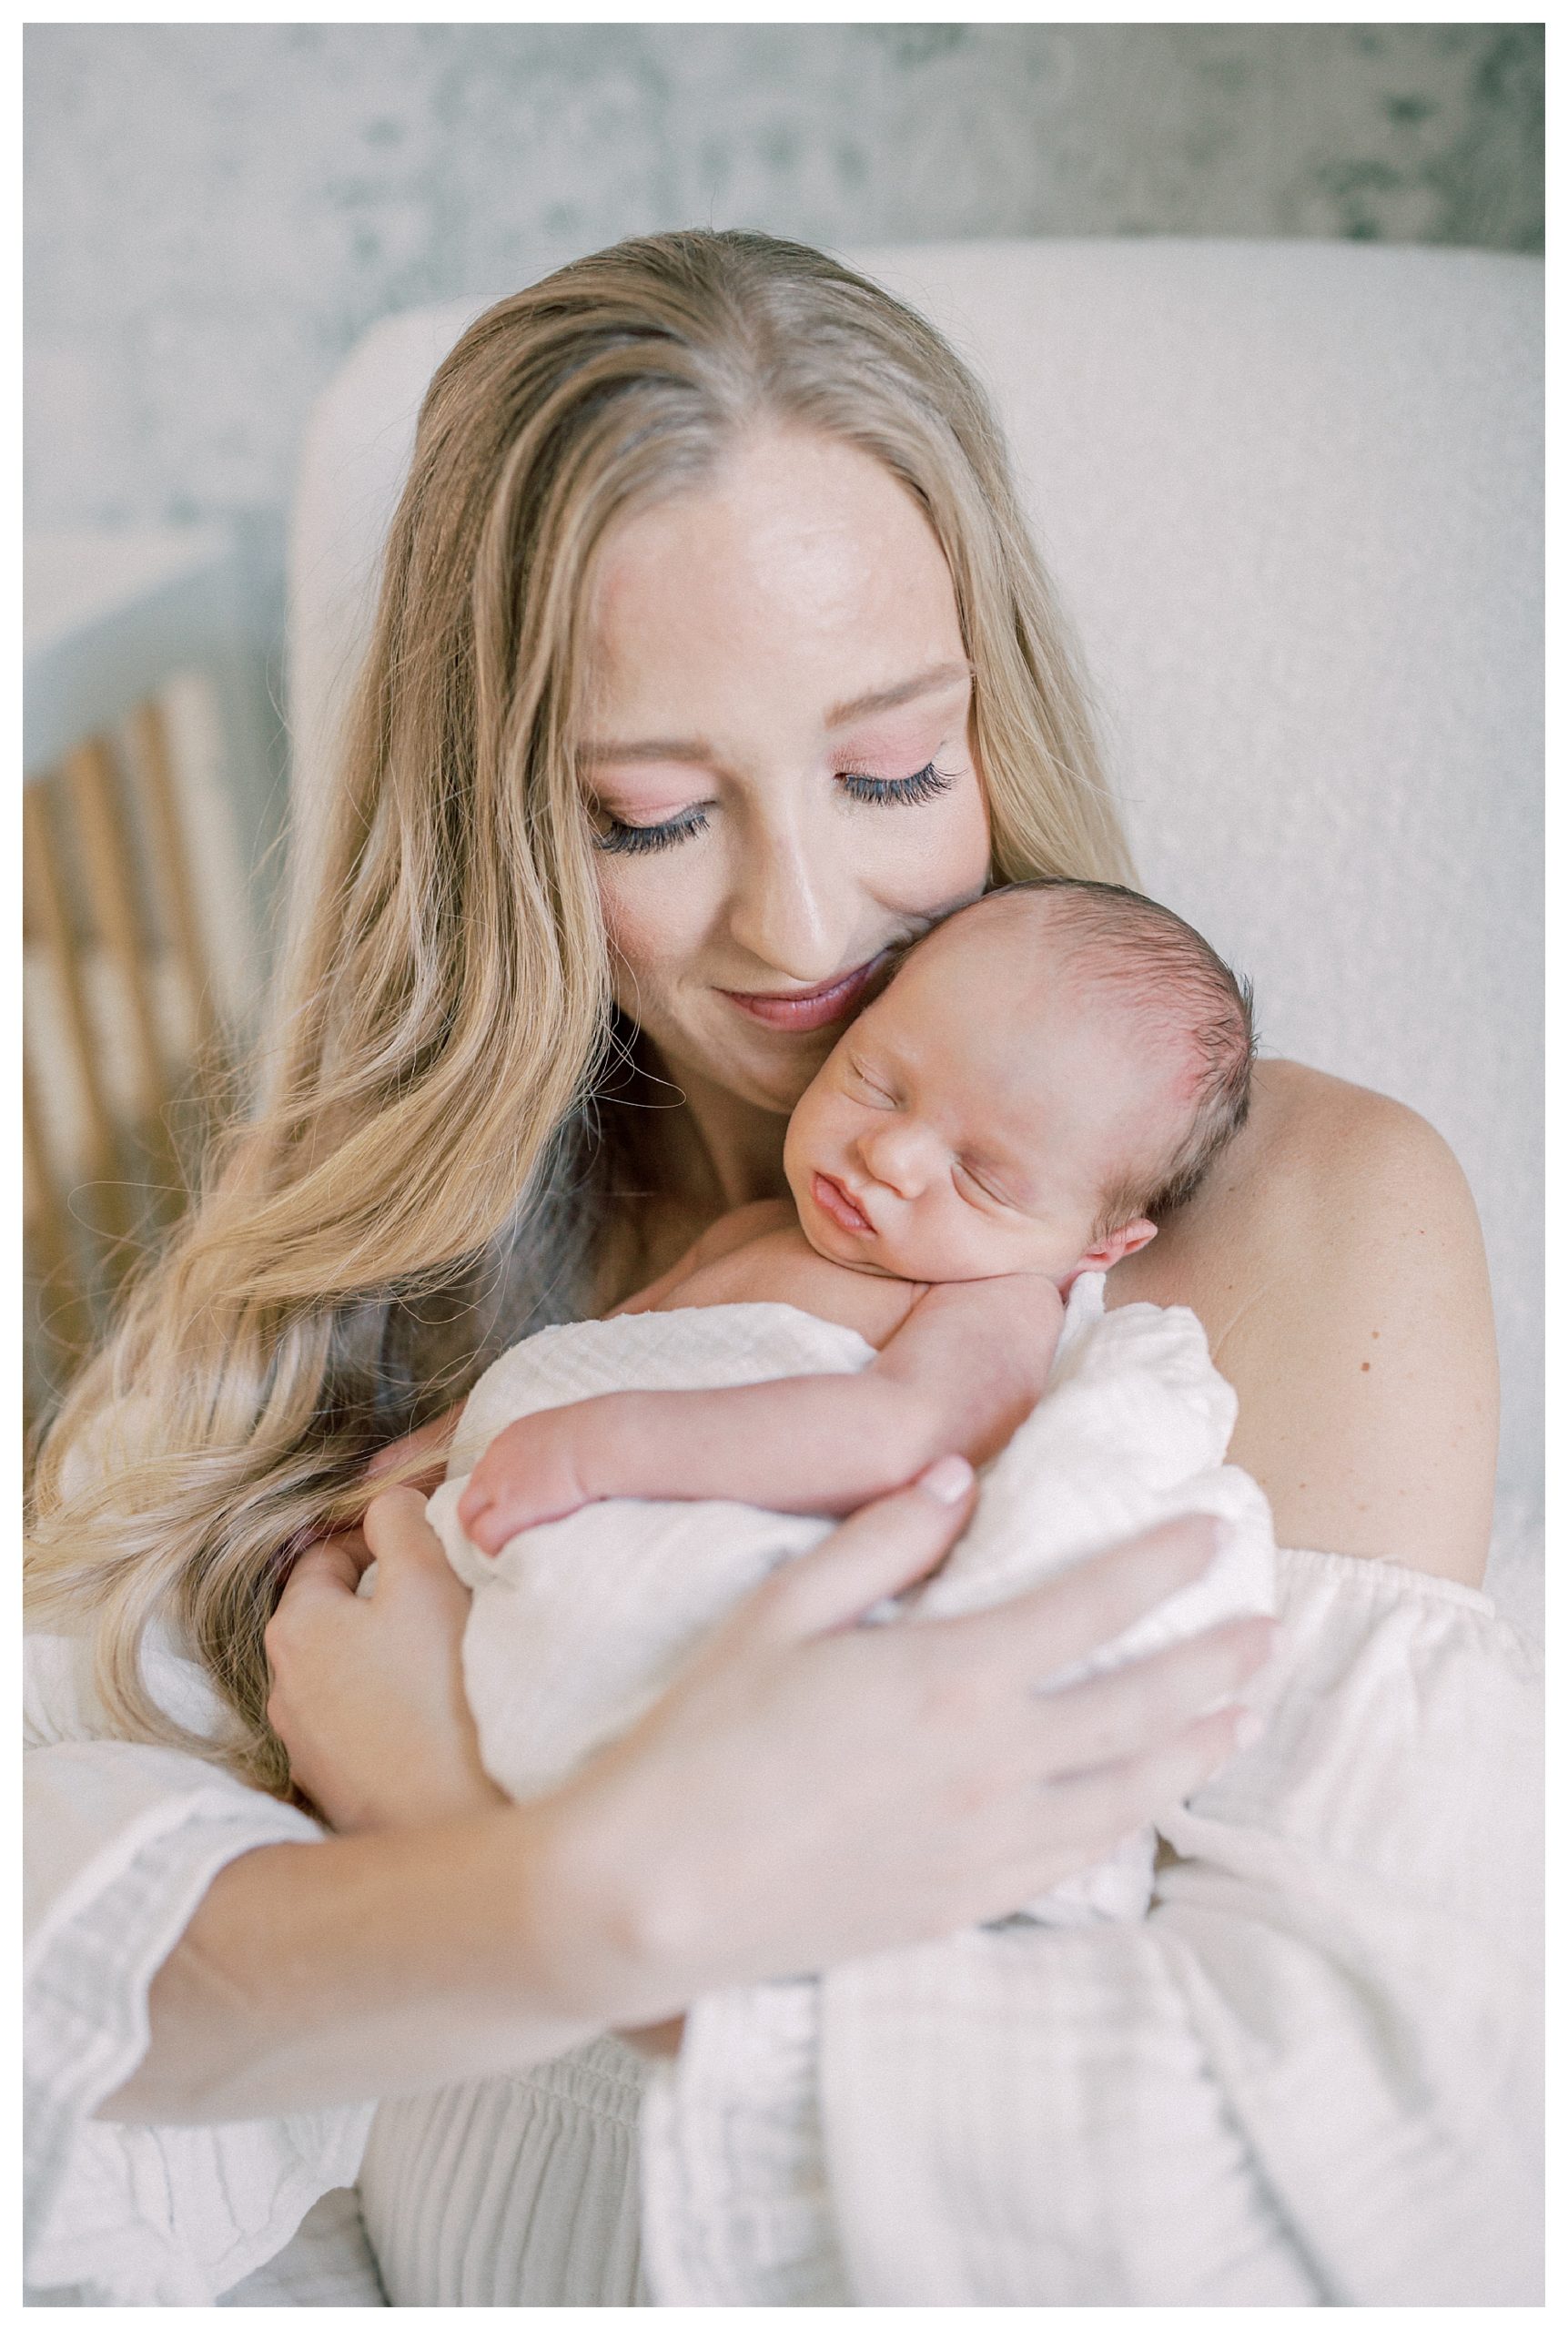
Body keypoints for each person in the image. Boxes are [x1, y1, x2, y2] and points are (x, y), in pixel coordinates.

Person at [23, 229, 1533, 2307]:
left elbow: (1380, 2169)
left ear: (993, 707)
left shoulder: (1300, 1216)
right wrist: (543, 1894)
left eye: (893, 768)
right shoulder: (420, 1237)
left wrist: (516, 1855)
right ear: (512, 830)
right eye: (652, 815)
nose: (802, 920)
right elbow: (79, 1974)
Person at [454, 876, 1258, 1546]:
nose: (890, 1157)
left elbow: (904, 1436)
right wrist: (417, 1466)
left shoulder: (990, 1305)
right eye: (876, 1084)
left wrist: (597, 1452)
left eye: (981, 1178)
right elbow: (566, 1366)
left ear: (1099, 1247)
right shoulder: (745, 1233)